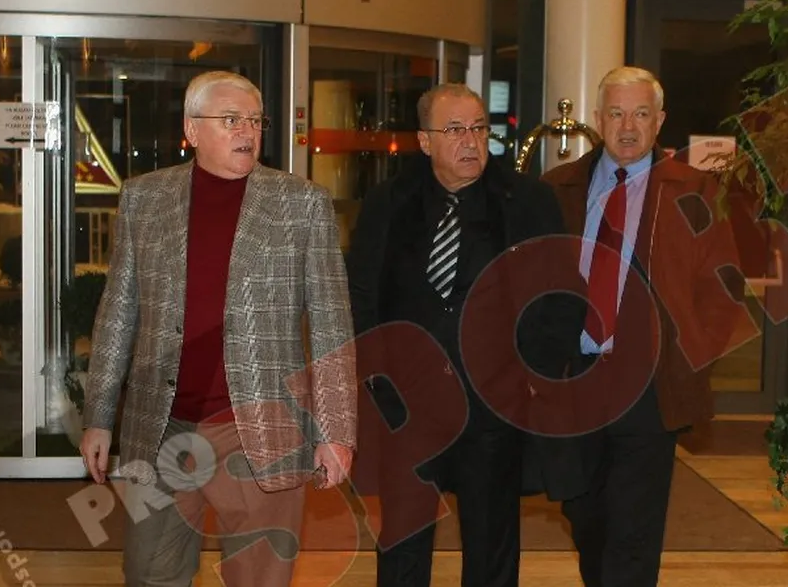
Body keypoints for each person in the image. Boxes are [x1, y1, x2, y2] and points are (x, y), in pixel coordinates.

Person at [78, 70, 357, 587]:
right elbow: (118, 312)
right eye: (231, 120)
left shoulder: (301, 204)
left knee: (259, 578)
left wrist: (337, 433)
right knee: (148, 573)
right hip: (162, 426)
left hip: (260, 428)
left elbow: (331, 324)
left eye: (255, 120)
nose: (246, 131)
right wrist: (98, 416)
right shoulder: (144, 199)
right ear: (192, 129)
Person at [346, 83, 583, 587]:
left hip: (493, 407)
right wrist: (375, 381)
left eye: (478, 128)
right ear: (424, 140)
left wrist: (533, 377)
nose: (470, 141)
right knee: (403, 546)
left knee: (491, 546)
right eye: (454, 130)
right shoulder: (389, 203)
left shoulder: (527, 201)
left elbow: (562, 295)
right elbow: (361, 295)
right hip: (405, 409)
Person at [541, 66, 745, 587]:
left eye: (640, 114)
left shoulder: (696, 190)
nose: (628, 126)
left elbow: (723, 287)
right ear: (597, 119)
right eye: (616, 113)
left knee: (634, 530)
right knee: (585, 516)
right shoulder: (558, 189)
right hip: (574, 381)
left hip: (649, 386)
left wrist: (689, 355)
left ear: (660, 121)